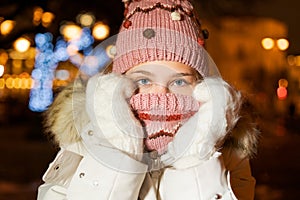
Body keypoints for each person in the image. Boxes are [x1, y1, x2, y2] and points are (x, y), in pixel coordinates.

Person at [37, 0, 259, 199]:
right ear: (117, 85)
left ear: (200, 88)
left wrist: (196, 153)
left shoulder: (227, 154)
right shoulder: (83, 144)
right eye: (144, 80)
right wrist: (119, 149)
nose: (160, 95)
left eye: (179, 82)